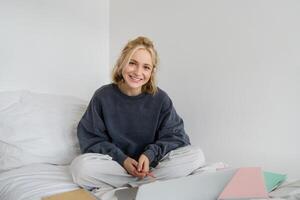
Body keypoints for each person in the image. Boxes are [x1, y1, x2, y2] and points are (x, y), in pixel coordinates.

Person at [70, 36, 205, 192]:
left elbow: (177, 136)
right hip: (117, 166)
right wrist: (123, 159)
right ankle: (147, 185)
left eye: (146, 67)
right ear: (122, 63)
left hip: (153, 166)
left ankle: (136, 185)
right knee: (79, 168)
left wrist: (149, 155)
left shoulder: (161, 99)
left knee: (196, 155)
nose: (138, 72)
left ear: (152, 71)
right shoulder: (102, 96)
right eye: (132, 63)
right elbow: (91, 139)